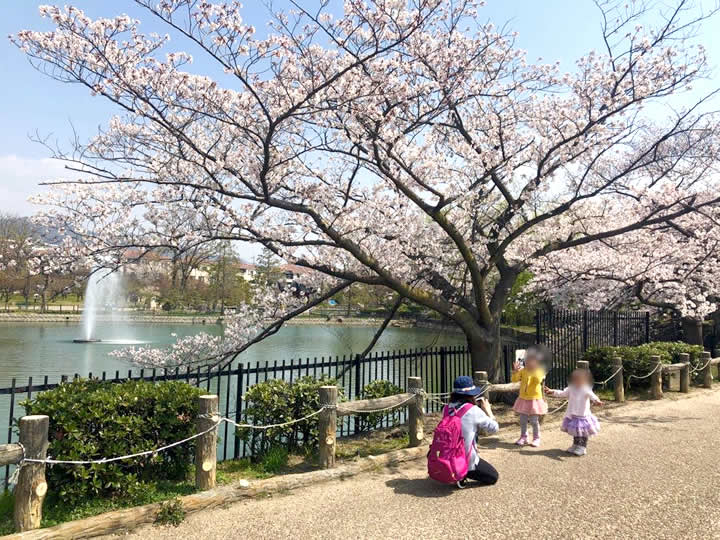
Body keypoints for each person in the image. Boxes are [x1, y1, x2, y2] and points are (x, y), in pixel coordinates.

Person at [446, 375, 500, 488]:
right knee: (493, 477)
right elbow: (494, 428)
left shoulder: (446, 408)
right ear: (471, 394)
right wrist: (488, 412)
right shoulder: (473, 410)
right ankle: (463, 472)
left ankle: (455, 470)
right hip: (465, 459)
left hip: (447, 456)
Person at [544, 368, 603, 456]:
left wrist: (596, 401)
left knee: (582, 433)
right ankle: (575, 445)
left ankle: (582, 447)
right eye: (575, 379)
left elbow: (592, 396)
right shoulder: (571, 388)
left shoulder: (586, 389)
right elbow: (562, 393)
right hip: (573, 414)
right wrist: (552, 391)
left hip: (582, 415)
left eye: (579, 379)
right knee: (576, 431)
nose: (576, 381)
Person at [511, 344, 549, 447]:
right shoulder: (523, 371)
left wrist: (535, 370)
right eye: (527, 360)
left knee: (533, 420)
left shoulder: (539, 371)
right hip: (523, 398)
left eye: (531, 361)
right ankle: (524, 436)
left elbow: (538, 380)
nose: (528, 363)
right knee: (522, 420)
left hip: (534, 400)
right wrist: (515, 371)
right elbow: (514, 380)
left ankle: (536, 438)